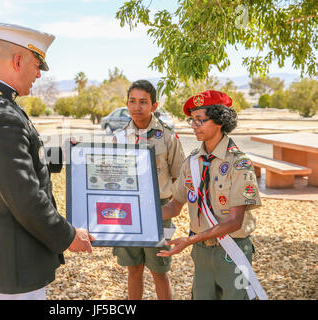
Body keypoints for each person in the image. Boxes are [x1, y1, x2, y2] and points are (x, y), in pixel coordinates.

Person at [0, 23, 94, 300]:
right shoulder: (0, 114)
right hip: (16, 254)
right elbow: (25, 197)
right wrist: (69, 235)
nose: (38, 74)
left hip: (13, 248)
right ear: (18, 60)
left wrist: (65, 153)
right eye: (37, 65)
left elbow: (23, 158)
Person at [157, 90, 267, 300]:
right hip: (201, 251)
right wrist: (137, 216)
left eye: (200, 120)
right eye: (192, 120)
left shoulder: (238, 163)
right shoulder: (192, 162)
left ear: (219, 121)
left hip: (231, 251)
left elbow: (235, 221)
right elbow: (174, 206)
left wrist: (189, 240)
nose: (194, 126)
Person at [113, 80, 185, 300]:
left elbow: (178, 176)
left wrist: (168, 204)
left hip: (158, 209)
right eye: (132, 101)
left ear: (154, 105)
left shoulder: (167, 136)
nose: (137, 107)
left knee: (159, 271)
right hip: (127, 210)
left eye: (143, 102)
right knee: (134, 269)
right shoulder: (119, 137)